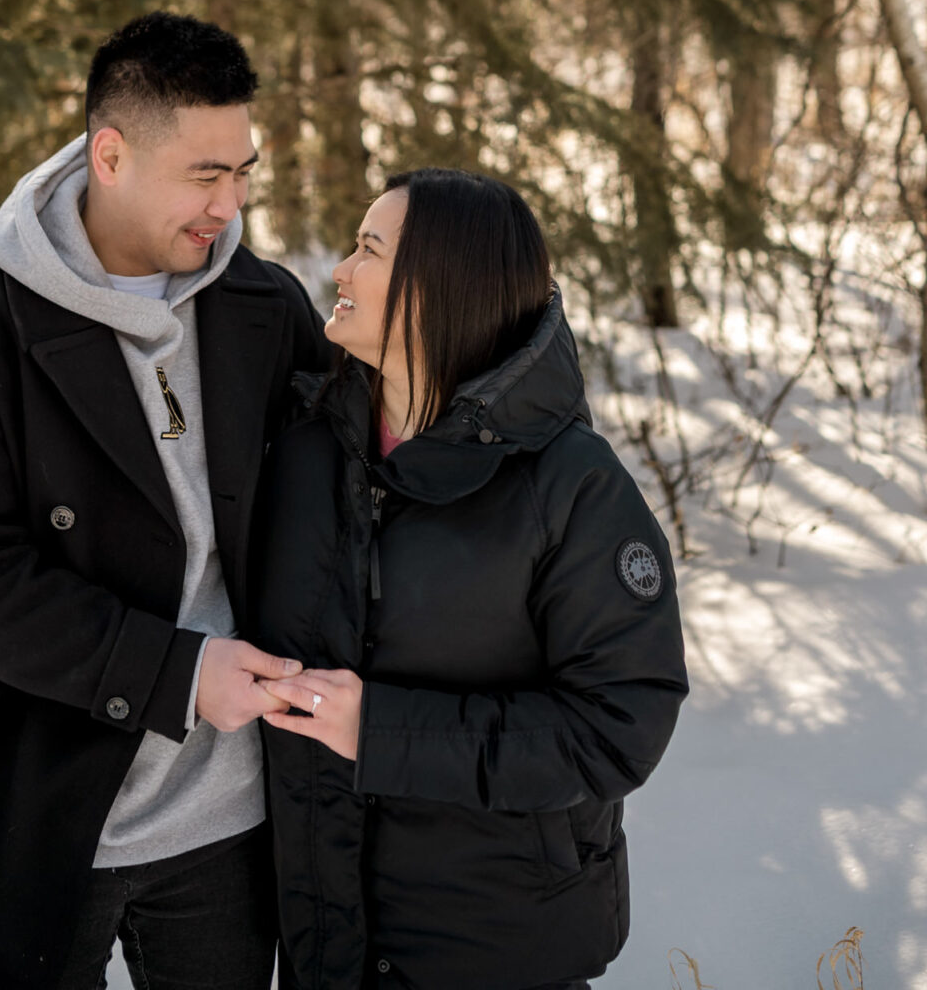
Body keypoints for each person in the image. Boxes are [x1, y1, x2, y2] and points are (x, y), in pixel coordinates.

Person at [0, 12, 329, 990]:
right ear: (111, 155)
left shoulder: (264, 308)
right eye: (204, 175)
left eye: (243, 172)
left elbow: (342, 506)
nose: (230, 204)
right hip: (45, 808)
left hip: (230, 816)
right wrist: (180, 675)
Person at [253, 168, 689, 990]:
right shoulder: (307, 450)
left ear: (438, 287)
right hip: (326, 948)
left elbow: (619, 726)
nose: (340, 271)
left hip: (502, 947)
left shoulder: (569, 483)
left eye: (368, 250)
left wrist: (380, 731)